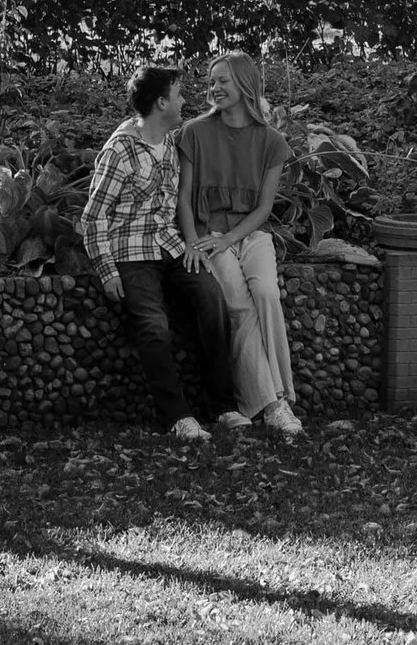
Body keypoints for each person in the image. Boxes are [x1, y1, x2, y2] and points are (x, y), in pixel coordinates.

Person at [81, 63, 228, 439]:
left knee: (212, 298)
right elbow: (93, 216)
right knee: (153, 326)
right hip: (131, 253)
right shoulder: (120, 150)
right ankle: (177, 416)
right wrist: (107, 270)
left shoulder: (172, 143)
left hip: (171, 246)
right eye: (178, 95)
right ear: (162, 103)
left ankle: (224, 405)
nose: (184, 101)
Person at [178, 48, 304, 439]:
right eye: (211, 81)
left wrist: (231, 238)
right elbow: (183, 199)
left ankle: (274, 399)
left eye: (223, 81)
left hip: (249, 234)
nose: (213, 88)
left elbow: (264, 207)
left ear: (245, 84)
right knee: (238, 304)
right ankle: (276, 404)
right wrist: (195, 242)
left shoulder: (272, 141)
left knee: (266, 293)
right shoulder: (194, 133)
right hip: (208, 235)